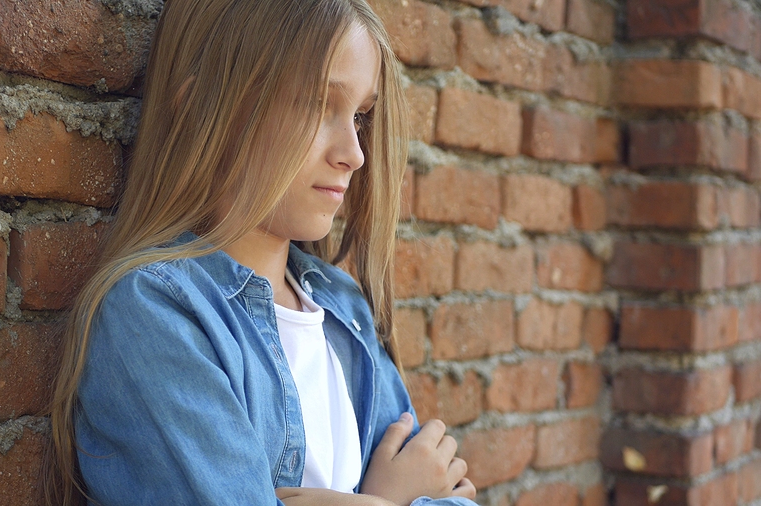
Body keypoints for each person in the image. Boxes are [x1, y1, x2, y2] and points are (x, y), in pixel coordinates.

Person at [45, 0, 479, 504]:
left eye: (360, 115)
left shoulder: (344, 306)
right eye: (319, 104)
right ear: (205, 107)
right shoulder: (155, 312)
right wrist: (388, 499)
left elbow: (452, 491)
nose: (355, 153)